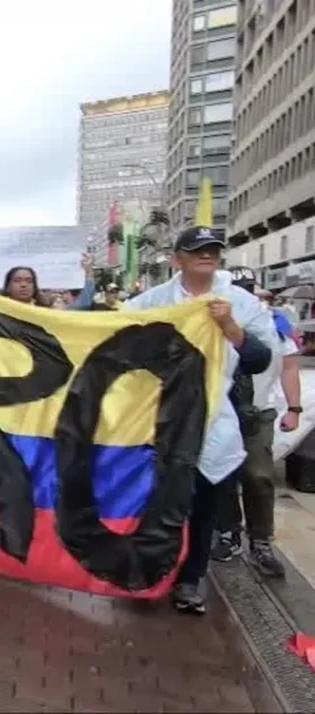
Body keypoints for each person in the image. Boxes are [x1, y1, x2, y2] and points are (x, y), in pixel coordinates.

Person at [123, 226, 275, 615]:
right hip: (163, 420)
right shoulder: (152, 302)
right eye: (196, 251)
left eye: (212, 250)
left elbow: (260, 359)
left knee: (205, 507)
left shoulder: (240, 302)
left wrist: (229, 328)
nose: (206, 256)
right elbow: (119, 345)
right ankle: (151, 572)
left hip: (216, 421)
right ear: (178, 259)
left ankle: (190, 579)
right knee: (159, 502)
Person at [211, 274, 302, 577]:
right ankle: (228, 532)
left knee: (258, 475)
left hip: (259, 411)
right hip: (221, 409)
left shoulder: (273, 325)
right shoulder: (208, 318)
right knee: (221, 473)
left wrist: (294, 408)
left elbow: (289, 368)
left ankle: (261, 541)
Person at [2, 255, 95, 309]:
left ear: (35, 286)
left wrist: (89, 270)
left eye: (29, 281)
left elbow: (85, 302)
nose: (23, 285)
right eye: (17, 280)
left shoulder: (46, 311)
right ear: (8, 286)